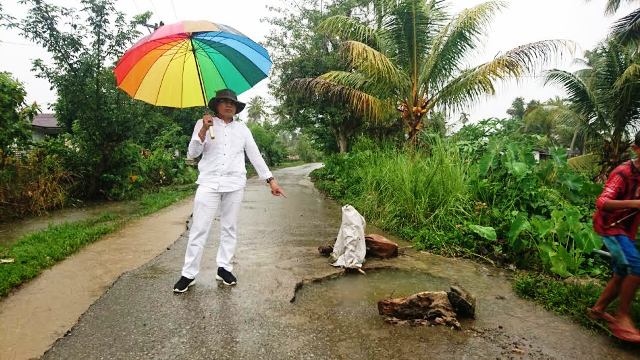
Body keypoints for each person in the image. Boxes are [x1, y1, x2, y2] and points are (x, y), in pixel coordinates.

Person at [173, 89, 285, 293]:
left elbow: (255, 155)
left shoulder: (242, 130)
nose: (228, 105)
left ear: (236, 107)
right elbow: (192, 154)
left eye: (232, 103)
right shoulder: (203, 123)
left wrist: (271, 181)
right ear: (216, 105)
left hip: (234, 184)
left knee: (229, 227)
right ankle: (188, 274)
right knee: (199, 228)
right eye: (223, 102)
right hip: (208, 183)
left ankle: (224, 268)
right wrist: (203, 131)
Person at [589, 132, 640, 342]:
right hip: (610, 226)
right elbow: (602, 202)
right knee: (635, 266)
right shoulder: (623, 173)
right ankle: (622, 317)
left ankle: (598, 310)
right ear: (637, 149)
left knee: (622, 271)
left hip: (626, 230)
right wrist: (634, 204)